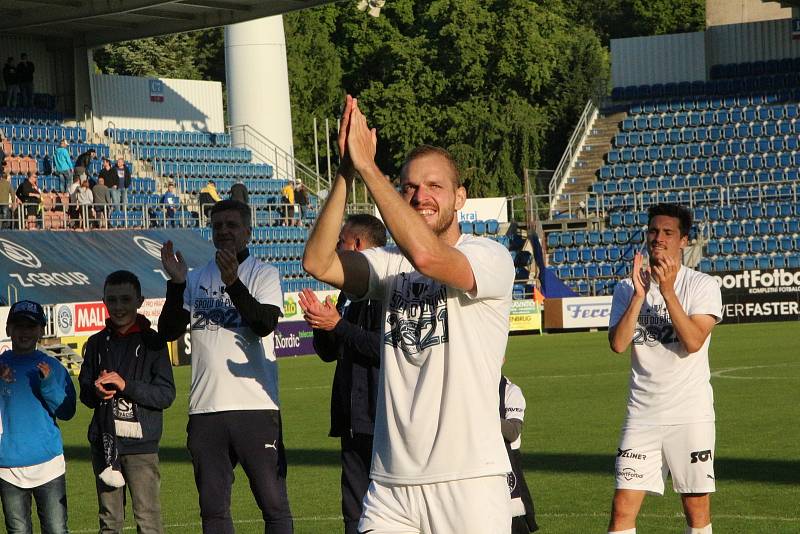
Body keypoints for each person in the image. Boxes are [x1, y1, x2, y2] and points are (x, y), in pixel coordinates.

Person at [303, 95, 515, 534]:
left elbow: (427, 255)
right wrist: (346, 169)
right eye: (409, 188)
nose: (421, 197)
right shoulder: (387, 263)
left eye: (434, 187)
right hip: (391, 484)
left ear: (461, 197)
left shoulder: (489, 255)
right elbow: (318, 262)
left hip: (469, 481)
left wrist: (370, 169)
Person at [158, 199, 293, 534]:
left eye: (232, 225)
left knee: (274, 505)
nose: (224, 232)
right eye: (217, 226)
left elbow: (264, 323)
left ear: (248, 231)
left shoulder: (263, 273)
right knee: (213, 511)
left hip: (255, 407)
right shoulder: (196, 277)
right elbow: (168, 331)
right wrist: (176, 284)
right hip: (206, 411)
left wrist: (233, 283)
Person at [607, 203, 722, 534]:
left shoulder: (701, 285)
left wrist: (668, 291)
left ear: (684, 240)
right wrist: (639, 297)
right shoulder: (627, 288)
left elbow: (694, 341)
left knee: (695, 508)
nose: (658, 238)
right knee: (622, 510)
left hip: (690, 415)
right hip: (641, 415)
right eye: (654, 231)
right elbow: (617, 345)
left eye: (668, 233)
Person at [298, 213, 386, 534]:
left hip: (383, 421)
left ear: (358, 244)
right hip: (352, 420)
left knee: (390, 510)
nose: (335, 249)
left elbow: (385, 349)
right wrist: (321, 326)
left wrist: (339, 325)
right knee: (353, 512)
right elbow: (329, 353)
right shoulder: (347, 292)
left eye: (340, 242)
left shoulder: (387, 290)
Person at [79, 270, 176, 534]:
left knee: (148, 520)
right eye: (112, 300)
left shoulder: (154, 342)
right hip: (105, 445)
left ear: (140, 301)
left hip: (141, 447)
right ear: (104, 301)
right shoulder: (96, 343)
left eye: (125, 299)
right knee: (110, 522)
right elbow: (84, 394)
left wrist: (126, 385)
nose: (118, 307)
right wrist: (96, 392)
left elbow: (166, 394)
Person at [0, 299, 76, 534]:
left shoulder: (54, 368)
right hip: (8, 468)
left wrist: (48, 385)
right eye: (19, 325)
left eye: (31, 326)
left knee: (56, 530)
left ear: (41, 331)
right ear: (8, 329)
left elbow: (67, 411)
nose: (25, 332)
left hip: (49, 466)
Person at [500, 376, 538, 534]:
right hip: (477, 465)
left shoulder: (510, 390)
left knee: (514, 524)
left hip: (509, 466)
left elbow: (513, 432)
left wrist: (482, 413)